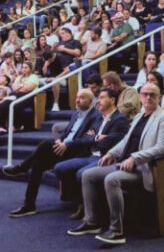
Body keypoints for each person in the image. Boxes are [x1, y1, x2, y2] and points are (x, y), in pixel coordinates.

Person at [67, 83, 164, 245]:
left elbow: (163, 147)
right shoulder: (139, 116)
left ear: (159, 98)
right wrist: (112, 153)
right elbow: (126, 140)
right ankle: (92, 222)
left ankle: (117, 231)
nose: (148, 97)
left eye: (152, 95)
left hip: (143, 168)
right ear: (139, 97)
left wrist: (135, 158)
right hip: (124, 162)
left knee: (112, 179)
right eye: (145, 94)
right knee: (88, 175)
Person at [3, 89, 101, 217]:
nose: (77, 100)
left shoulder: (96, 116)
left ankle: (22, 167)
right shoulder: (75, 114)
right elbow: (66, 133)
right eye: (77, 97)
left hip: (77, 152)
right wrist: (61, 141)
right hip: (63, 149)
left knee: (45, 144)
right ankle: (29, 205)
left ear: (91, 101)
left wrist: (66, 144)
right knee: (37, 165)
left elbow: (87, 139)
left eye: (82, 98)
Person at [53, 88, 131, 220]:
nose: (98, 101)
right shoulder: (99, 118)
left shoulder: (120, 119)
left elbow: (109, 143)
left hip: (105, 157)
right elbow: (85, 138)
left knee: (81, 173)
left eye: (101, 98)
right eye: (98, 98)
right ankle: (80, 201)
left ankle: (90, 209)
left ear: (112, 100)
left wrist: (95, 139)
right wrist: (95, 138)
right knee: (60, 168)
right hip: (90, 155)